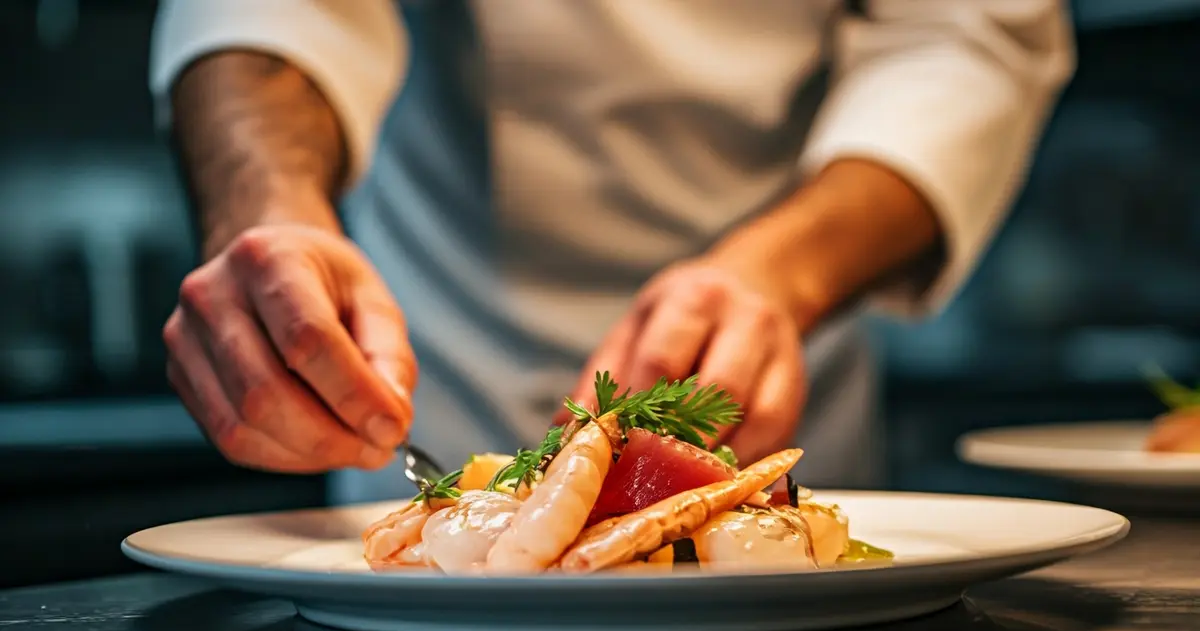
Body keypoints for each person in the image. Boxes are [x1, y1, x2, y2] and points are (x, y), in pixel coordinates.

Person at [149, 0, 1074, 504]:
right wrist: (267, 215)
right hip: (430, 384)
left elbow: (968, 33)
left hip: (774, 399)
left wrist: (780, 274)